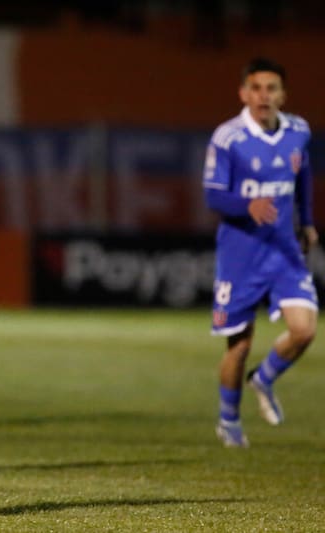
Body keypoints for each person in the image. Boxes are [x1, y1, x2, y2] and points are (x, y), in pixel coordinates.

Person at [203, 57, 318, 448]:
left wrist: (307, 222)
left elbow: (303, 176)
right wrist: (245, 205)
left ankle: (264, 379)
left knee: (304, 330)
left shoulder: (298, 131)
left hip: (283, 250)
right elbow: (212, 194)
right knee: (240, 345)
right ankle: (229, 421)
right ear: (243, 93)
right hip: (241, 254)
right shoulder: (228, 137)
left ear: (283, 95)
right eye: (256, 88)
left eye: (271, 88)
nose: (263, 96)